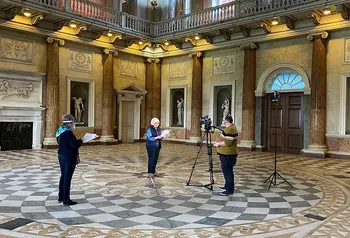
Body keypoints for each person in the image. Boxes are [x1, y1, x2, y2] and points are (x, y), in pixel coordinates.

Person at [56, 114, 82, 206]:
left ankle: (61, 196)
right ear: (70, 122)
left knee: (63, 176)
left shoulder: (60, 130)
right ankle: (66, 199)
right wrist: (81, 141)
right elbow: (74, 145)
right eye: (73, 122)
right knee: (67, 178)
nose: (73, 124)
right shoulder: (68, 132)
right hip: (68, 157)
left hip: (61, 155)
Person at [214, 115, 238, 196]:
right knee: (226, 171)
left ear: (226, 121)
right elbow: (226, 139)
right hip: (225, 154)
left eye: (224, 120)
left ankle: (229, 190)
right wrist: (219, 140)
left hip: (228, 155)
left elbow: (228, 142)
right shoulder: (230, 128)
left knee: (228, 172)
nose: (223, 122)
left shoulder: (231, 129)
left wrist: (218, 143)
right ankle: (226, 186)